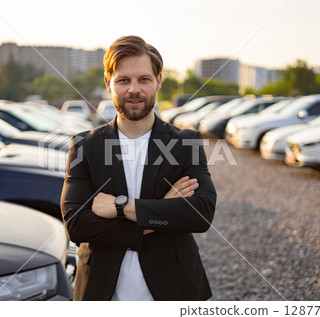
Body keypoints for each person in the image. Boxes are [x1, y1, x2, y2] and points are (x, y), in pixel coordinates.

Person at [60, 35, 217, 301]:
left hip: (173, 289)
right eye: (124, 80)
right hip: (101, 292)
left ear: (158, 82)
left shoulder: (185, 142)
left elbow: (200, 214)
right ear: (109, 84)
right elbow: (77, 225)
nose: (134, 89)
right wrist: (162, 211)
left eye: (143, 79)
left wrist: (120, 207)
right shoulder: (84, 146)